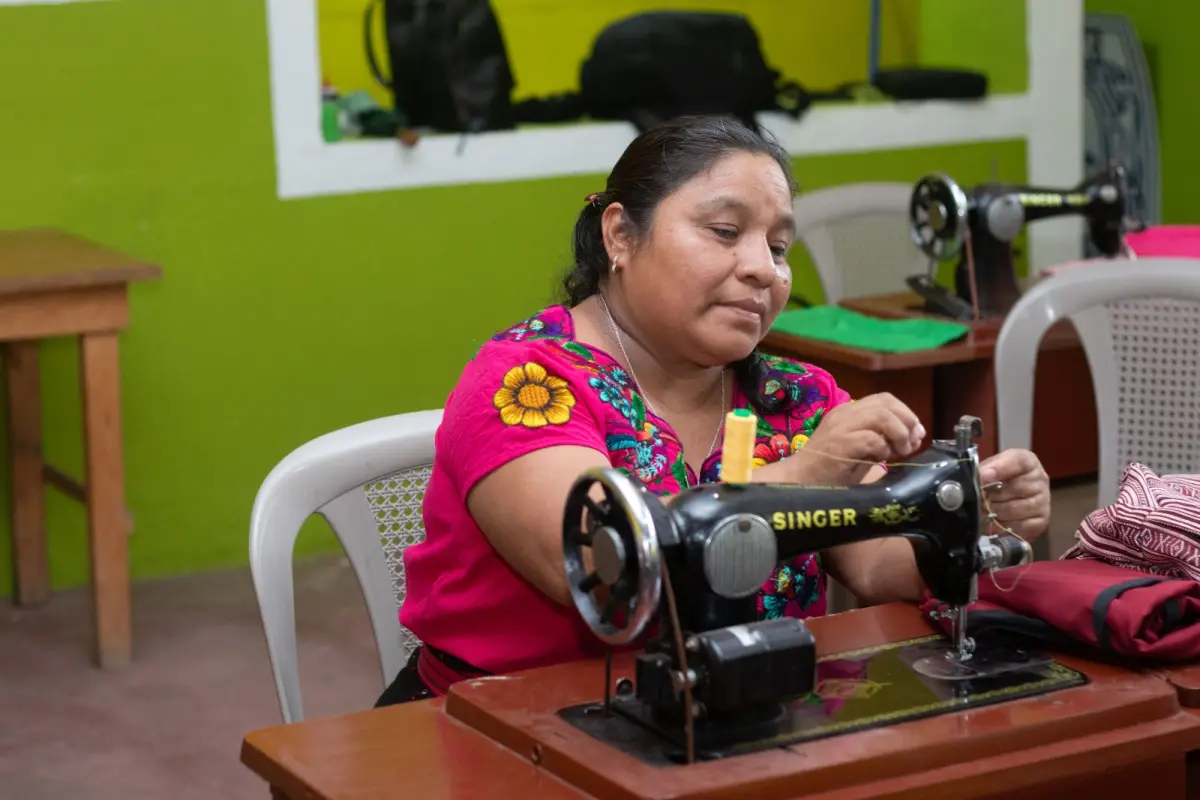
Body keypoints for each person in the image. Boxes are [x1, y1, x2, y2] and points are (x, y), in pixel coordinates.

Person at [377, 116, 1051, 706]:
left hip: (721, 718)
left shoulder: (799, 398)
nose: (764, 269)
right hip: (504, 731)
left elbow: (875, 566)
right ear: (620, 234)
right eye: (725, 230)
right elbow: (600, 570)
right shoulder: (525, 383)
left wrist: (971, 519)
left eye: (779, 247)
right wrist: (801, 475)